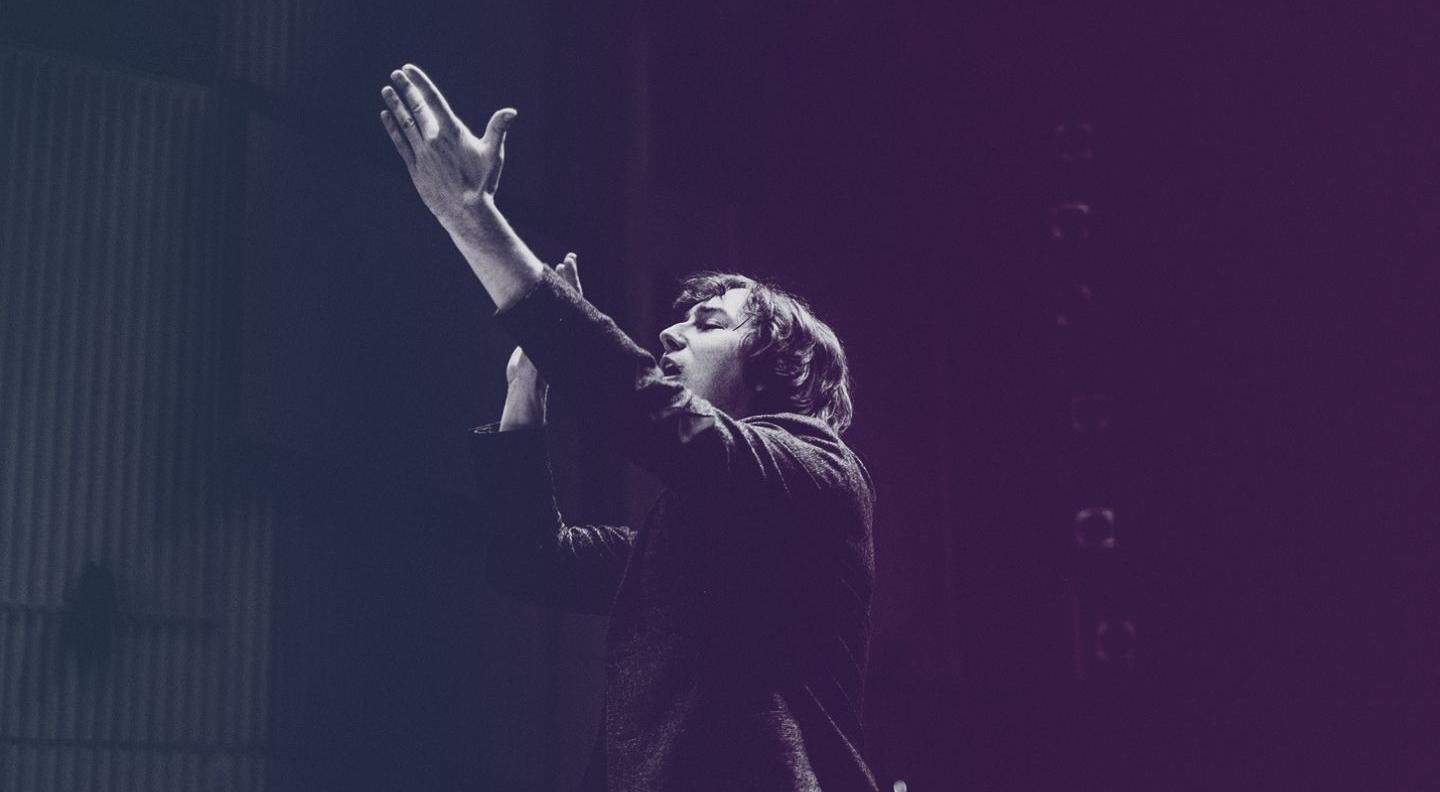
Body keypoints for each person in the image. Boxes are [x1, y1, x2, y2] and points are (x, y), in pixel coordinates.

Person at [379, 63, 879, 792]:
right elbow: (533, 560)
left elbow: (648, 412)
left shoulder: (819, 475)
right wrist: (529, 391)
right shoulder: (688, 542)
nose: (671, 335)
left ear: (777, 364)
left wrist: (472, 219)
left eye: (707, 323)